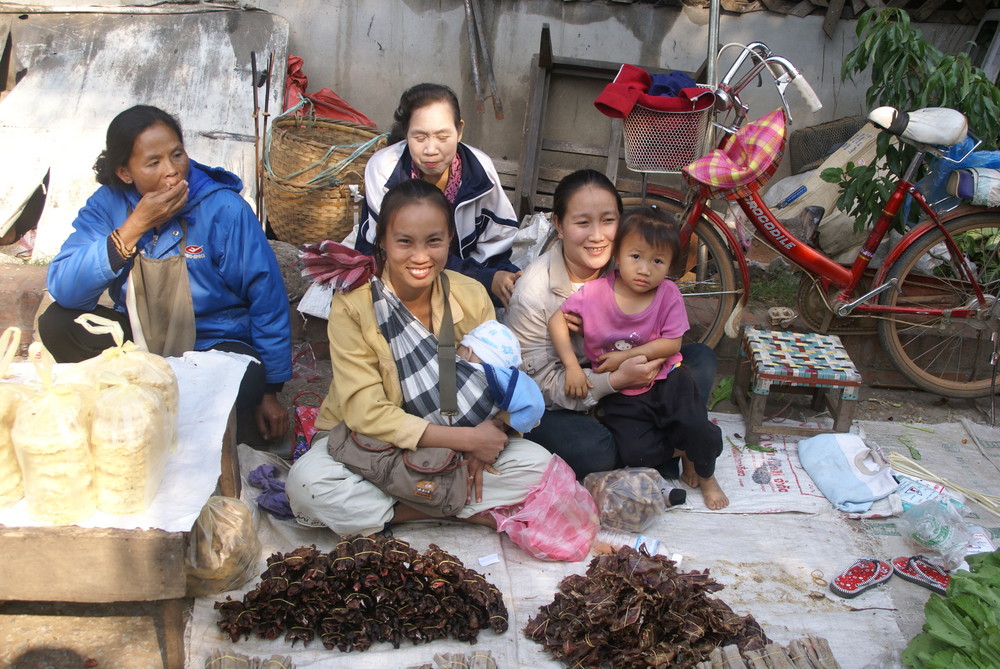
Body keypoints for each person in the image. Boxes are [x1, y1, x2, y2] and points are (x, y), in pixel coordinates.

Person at [286, 178, 552, 537]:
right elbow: (366, 413)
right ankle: (449, 509)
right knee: (308, 485)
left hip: (458, 440)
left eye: (434, 241)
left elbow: (503, 382)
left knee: (537, 467)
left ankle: (399, 507)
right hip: (372, 445)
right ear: (382, 242)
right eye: (405, 242)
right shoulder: (355, 304)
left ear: (449, 241)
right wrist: (469, 442)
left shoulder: (471, 295)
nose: (421, 256)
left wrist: (491, 435)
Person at [38, 105, 291, 441]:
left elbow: (267, 299)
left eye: (177, 154)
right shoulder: (107, 205)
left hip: (209, 344)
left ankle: (137, 404)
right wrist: (134, 227)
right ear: (126, 173)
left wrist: (270, 392)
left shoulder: (225, 210)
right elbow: (65, 287)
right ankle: (163, 406)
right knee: (57, 323)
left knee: (247, 378)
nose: (173, 171)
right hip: (137, 344)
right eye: (154, 162)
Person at [504, 169, 718, 480]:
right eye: (582, 222)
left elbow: (660, 321)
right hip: (571, 398)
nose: (597, 236)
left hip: (635, 379)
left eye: (608, 220)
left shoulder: (625, 258)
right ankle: (670, 446)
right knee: (593, 450)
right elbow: (538, 387)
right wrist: (616, 380)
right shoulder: (534, 294)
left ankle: (664, 441)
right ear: (559, 226)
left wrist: (641, 357)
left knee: (700, 359)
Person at [549, 207, 728, 509]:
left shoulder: (668, 293)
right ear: (617, 255)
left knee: (697, 428)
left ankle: (707, 474)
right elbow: (557, 318)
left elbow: (672, 343)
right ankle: (683, 451)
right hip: (622, 394)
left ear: (671, 265)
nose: (645, 269)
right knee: (635, 454)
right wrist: (571, 366)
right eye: (636, 257)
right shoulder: (594, 293)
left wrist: (625, 357)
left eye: (657, 261)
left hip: (669, 379)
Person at [353, 83, 522, 307]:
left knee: (521, 290)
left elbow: (498, 239)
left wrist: (500, 276)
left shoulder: (480, 169)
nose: (431, 150)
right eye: (420, 138)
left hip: (468, 270)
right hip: (401, 269)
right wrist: (484, 279)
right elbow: (385, 250)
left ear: (459, 130)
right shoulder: (383, 169)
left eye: (443, 137)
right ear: (406, 134)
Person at [458, 320, 545, 434]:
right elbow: (534, 405)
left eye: (457, 351)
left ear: (469, 352)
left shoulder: (469, 372)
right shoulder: (505, 386)